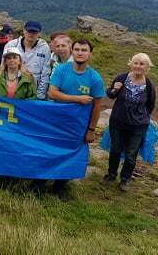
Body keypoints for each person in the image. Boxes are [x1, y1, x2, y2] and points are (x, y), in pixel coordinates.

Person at [45, 39, 105, 199]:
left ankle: (60, 186)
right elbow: (52, 93)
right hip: (56, 121)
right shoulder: (62, 69)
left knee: (71, 154)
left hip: (78, 125)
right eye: (77, 49)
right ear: (72, 51)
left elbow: (97, 106)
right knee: (50, 149)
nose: (80, 53)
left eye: (84, 50)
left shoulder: (95, 78)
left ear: (90, 54)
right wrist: (77, 99)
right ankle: (40, 181)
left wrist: (91, 130)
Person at [104, 53, 157, 192]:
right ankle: (111, 175)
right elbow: (110, 94)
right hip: (118, 122)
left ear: (147, 67)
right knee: (115, 150)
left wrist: (140, 117)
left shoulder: (149, 85)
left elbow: (150, 105)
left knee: (131, 154)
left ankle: (125, 179)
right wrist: (115, 89)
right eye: (135, 63)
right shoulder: (121, 78)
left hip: (138, 126)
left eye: (141, 64)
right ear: (131, 64)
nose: (138, 66)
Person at [4, 21, 51, 100]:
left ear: (39, 33)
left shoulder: (44, 48)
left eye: (34, 32)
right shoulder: (11, 45)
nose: (31, 34)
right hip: (12, 89)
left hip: (33, 92)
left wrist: (40, 96)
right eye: (29, 31)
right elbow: (3, 66)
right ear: (24, 31)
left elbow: (45, 73)